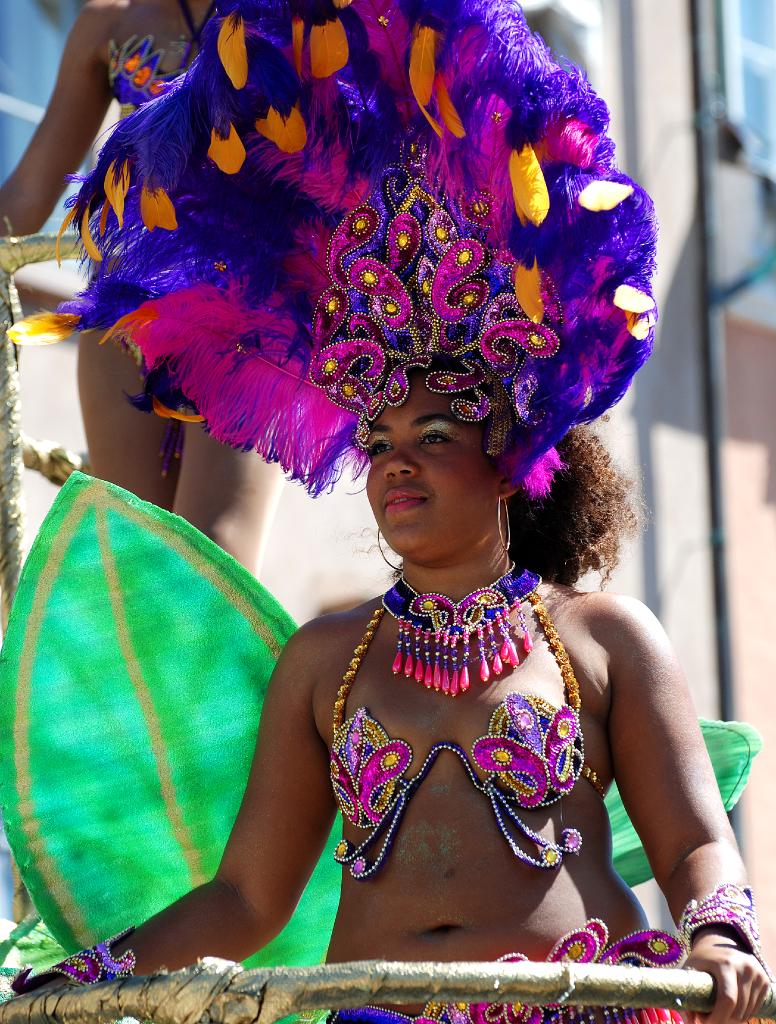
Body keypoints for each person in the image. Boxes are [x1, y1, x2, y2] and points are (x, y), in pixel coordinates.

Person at [5, 2, 772, 1021]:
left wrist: (719, 928)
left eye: (434, 441)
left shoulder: (605, 639)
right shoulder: (323, 658)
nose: (394, 469)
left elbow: (688, 840)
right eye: (379, 445)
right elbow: (243, 898)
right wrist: (90, 974)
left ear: (508, 464)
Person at [0, 0, 284, 572]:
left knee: (213, 568)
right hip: (123, 321)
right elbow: (25, 200)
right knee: (130, 573)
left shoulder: (303, 22)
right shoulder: (108, 25)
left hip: (247, 325)